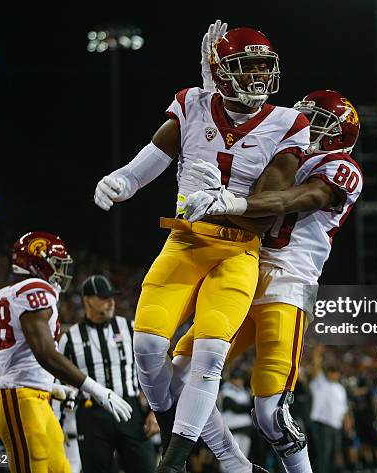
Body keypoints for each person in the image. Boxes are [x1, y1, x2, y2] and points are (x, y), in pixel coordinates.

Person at [93, 23, 310, 471]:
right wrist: (123, 180)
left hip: (238, 250)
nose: (255, 77)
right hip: (185, 242)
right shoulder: (193, 103)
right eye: (243, 67)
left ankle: (173, 462)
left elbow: (269, 209)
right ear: (219, 71)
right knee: (149, 349)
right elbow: (148, 162)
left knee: (209, 352)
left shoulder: (288, 122)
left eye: (260, 66)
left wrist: (227, 201)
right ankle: (228, 458)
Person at [0, 232, 133, 473]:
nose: (61, 271)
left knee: (61, 468)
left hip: (34, 396)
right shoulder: (35, 289)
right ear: (37, 262)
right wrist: (96, 389)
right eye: (57, 263)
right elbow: (45, 353)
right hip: (18, 396)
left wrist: (50, 386)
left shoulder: (7, 294)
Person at [58, 275, 155, 473]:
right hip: (91, 414)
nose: (111, 302)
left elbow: (153, 371)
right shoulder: (69, 338)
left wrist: (155, 412)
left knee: (146, 468)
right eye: (104, 297)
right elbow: (59, 382)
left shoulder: (130, 328)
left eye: (112, 296)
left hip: (130, 408)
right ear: (87, 300)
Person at [308, 347, 350, 473]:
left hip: (336, 426)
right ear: (329, 373)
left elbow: (343, 408)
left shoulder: (340, 388)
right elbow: (316, 368)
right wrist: (316, 355)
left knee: (334, 455)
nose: (335, 374)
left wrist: (347, 422)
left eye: (337, 372)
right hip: (322, 425)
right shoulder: (320, 383)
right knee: (322, 456)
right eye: (333, 372)